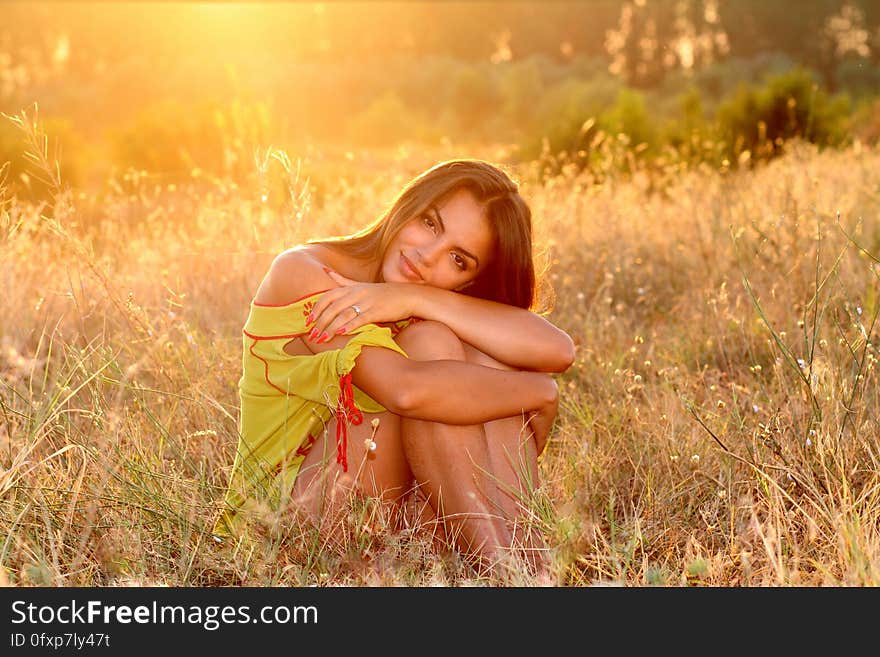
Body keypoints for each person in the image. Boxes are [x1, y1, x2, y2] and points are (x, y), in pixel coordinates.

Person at [213, 158, 575, 576]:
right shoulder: (306, 272)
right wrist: (540, 393)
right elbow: (404, 391)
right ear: (408, 204)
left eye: (458, 260)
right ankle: (508, 573)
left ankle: (524, 571)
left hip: (393, 523)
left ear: (470, 284)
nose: (425, 256)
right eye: (430, 223)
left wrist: (417, 300)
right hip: (283, 531)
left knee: (466, 357)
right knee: (440, 362)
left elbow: (558, 350)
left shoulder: (420, 302)